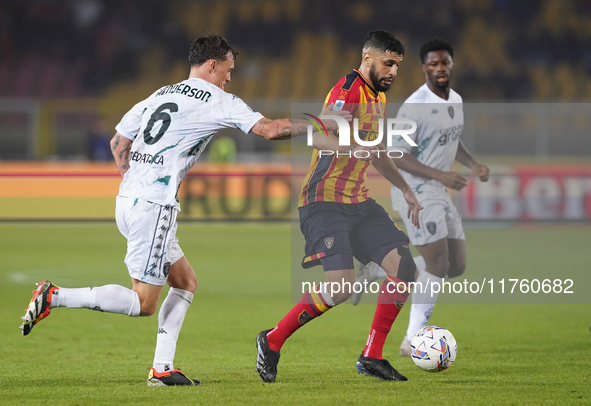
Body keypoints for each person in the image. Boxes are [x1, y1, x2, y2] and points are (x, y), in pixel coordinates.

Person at [19, 34, 350, 387]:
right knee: (144, 302)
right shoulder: (217, 100)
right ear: (212, 65)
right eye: (228, 69)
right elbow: (270, 130)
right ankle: (55, 296)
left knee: (185, 281)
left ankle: (162, 368)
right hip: (153, 206)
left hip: (129, 199)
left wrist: (137, 181)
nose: (229, 78)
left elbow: (119, 143)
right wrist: (321, 123)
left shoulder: (160, 93)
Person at [255, 31, 423, 383]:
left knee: (404, 269)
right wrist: (351, 148)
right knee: (342, 287)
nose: (393, 71)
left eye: (397, 66)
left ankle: (371, 356)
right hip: (323, 202)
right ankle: (271, 341)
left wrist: (406, 189)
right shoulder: (348, 90)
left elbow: (376, 152)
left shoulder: (378, 97)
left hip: (358, 202)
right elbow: (316, 135)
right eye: (387, 63)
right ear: (367, 58)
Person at [350, 38, 490, 357]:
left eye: (445, 63)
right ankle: (412, 339)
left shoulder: (454, 98)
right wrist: (440, 174)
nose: (440, 68)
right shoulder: (415, 105)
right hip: (416, 191)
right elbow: (397, 154)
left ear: (452, 64)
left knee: (456, 265)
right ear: (424, 67)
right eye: (433, 64)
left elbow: (452, 139)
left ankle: (375, 270)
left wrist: (473, 164)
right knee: (437, 263)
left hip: (439, 190)